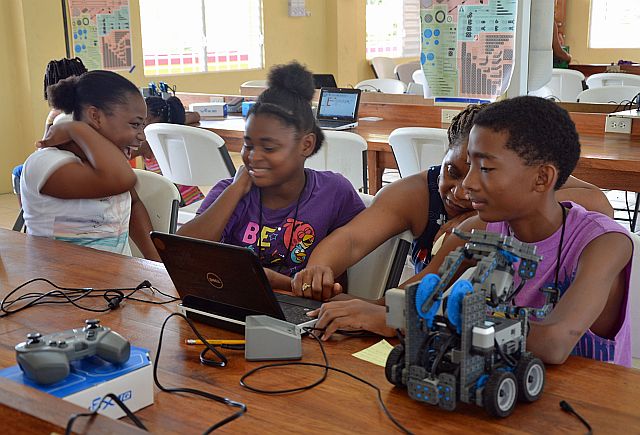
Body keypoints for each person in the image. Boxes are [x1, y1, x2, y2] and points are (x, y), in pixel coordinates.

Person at [300, 96, 633, 367]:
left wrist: (407, 319)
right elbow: (411, 299)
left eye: (485, 169)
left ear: (542, 179)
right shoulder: (478, 230)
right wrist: (358, 308)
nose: (467, 186)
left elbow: (554, 342)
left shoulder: (605, 243)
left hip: (584, 405)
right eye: (466, 166)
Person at [292, 103, 613, 301]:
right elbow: (351, 239)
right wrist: (319, 268)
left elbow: (599, 202)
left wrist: (481, 221)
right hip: (433, 318)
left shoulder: (524, 180)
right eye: (453, 171)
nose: (463, 190)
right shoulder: (416, 194)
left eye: (485, 171)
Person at [177, 61, 365, 290]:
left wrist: (282, 284)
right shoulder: (228, 192)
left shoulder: (333, 191)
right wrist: (235, 190)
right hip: (239, 302)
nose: (253, 157)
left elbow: (354, 251)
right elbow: (182, 253)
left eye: (268, 148)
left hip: (303, 309)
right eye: (248, 145)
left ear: (306, 145)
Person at [20, 70, 160, 261]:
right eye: (135, 125)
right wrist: (76, 128)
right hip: (61, 287)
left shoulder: (109, 163)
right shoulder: (47, 164)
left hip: (118, 284)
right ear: (95, 116)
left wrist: (159, 263)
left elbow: (133, 202)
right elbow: (121, 180)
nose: (142, 136)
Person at [12, 58, 88, 206]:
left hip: (60, 165)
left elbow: (44, 149)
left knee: (18, 172)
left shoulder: (55, 115)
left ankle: (27, 214)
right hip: (90, 161)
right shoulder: (92, 107)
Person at [131, 95, 205, 207]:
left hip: (177, 208)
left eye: (142, 124)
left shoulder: (145, 143)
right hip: (194, 202)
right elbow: (195, 116)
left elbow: (118, 156)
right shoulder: (168, 130)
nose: (138, 130)